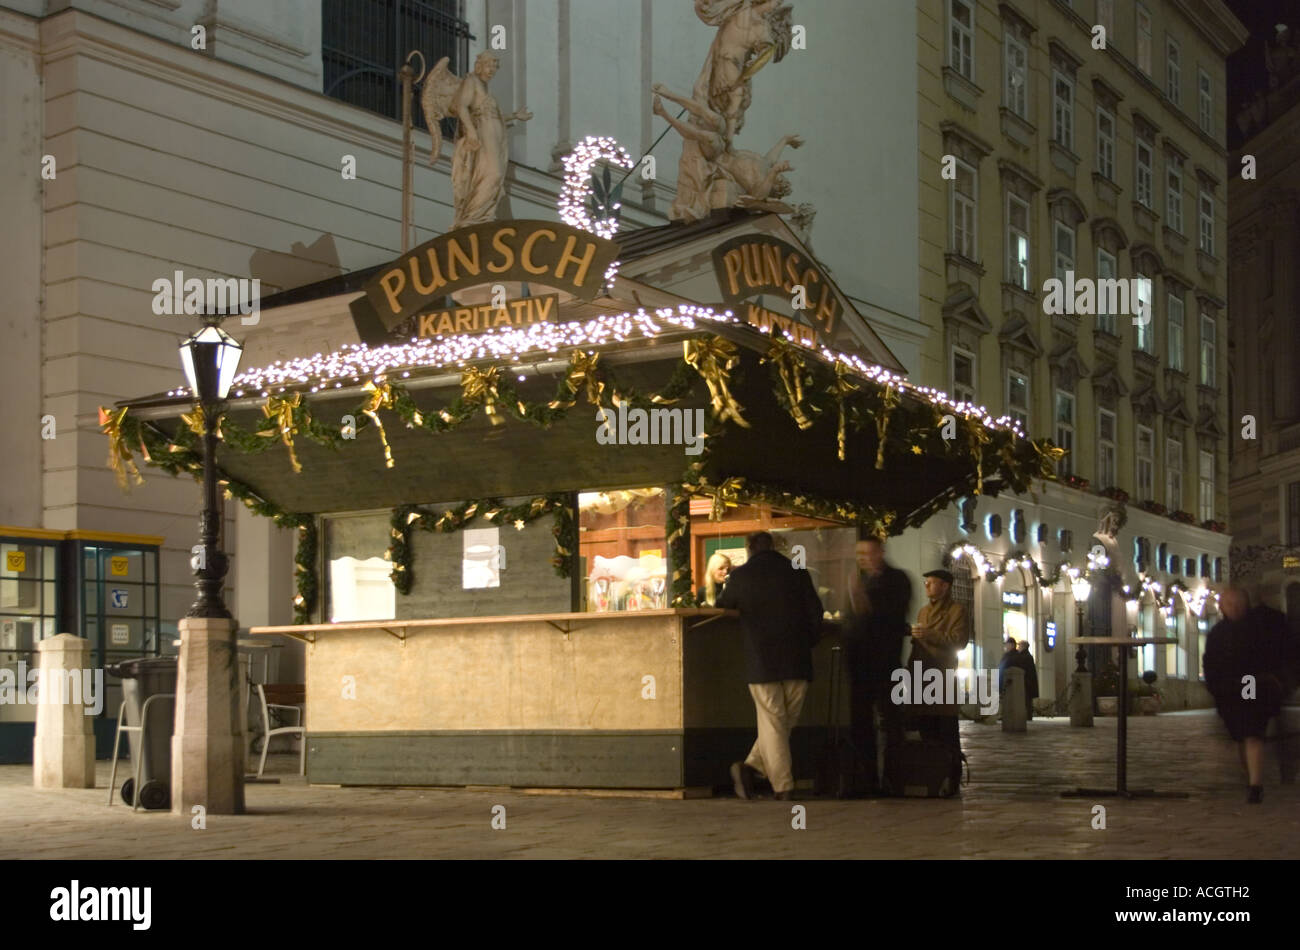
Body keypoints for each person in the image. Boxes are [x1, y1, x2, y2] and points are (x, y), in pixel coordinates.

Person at [716, 531, 823, 801]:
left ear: (749, 548)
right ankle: (755, 769)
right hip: (797, 658)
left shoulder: (741, 576)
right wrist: (808, 641)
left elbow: (722, 606)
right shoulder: (798, 571)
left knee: (774, 721)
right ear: (774, 546)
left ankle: (780, 784)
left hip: (761, 660)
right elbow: (815, 612)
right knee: (785, 721)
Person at [1203, 588, 1299, 803]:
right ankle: (1252, 779)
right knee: (1242, 734)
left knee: (1251, 731)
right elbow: (1211, 663)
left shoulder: (1260, 628)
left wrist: (1274, 680)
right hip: (1230, 688)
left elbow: (1273, 656)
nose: (1234, 608)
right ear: (1222, 607)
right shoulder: (1218, 633)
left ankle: (1255, 784)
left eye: (1237, 603)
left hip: (1252, 684)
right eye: (1229, 604)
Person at [842, 536, 912, 795]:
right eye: (858, 553)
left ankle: (894, 780)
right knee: (860, 721)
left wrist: (859, 597)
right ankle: (866, 779)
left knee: (890, 721)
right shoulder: (862, 581)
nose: (862, 558)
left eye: (867, 552)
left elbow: (886, 618)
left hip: (885, 662)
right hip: (859, 664)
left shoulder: (896, 580)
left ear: (880, 552)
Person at [910, 569, 969, 791]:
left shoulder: (957, 611)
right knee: (926, 728)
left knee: (947, 730)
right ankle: (932, 775)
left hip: (942, 676)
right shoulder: (923, 612)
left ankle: (952, 777)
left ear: (945, 586)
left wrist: (929, 635)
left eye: (931, 583)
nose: (926, 586)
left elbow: (959, 641)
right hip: (921, 676)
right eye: (926, 582)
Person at [1016, 640, 1040, 720]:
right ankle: (1028, 715)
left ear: (1023, 646)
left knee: (1026, 700)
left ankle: (1027, 716)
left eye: (1019, 645)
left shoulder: (1024, 656)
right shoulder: (1028, 656)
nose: (1018, 647)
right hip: (1029, 682)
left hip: (1025, 682)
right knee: (1028, 701)